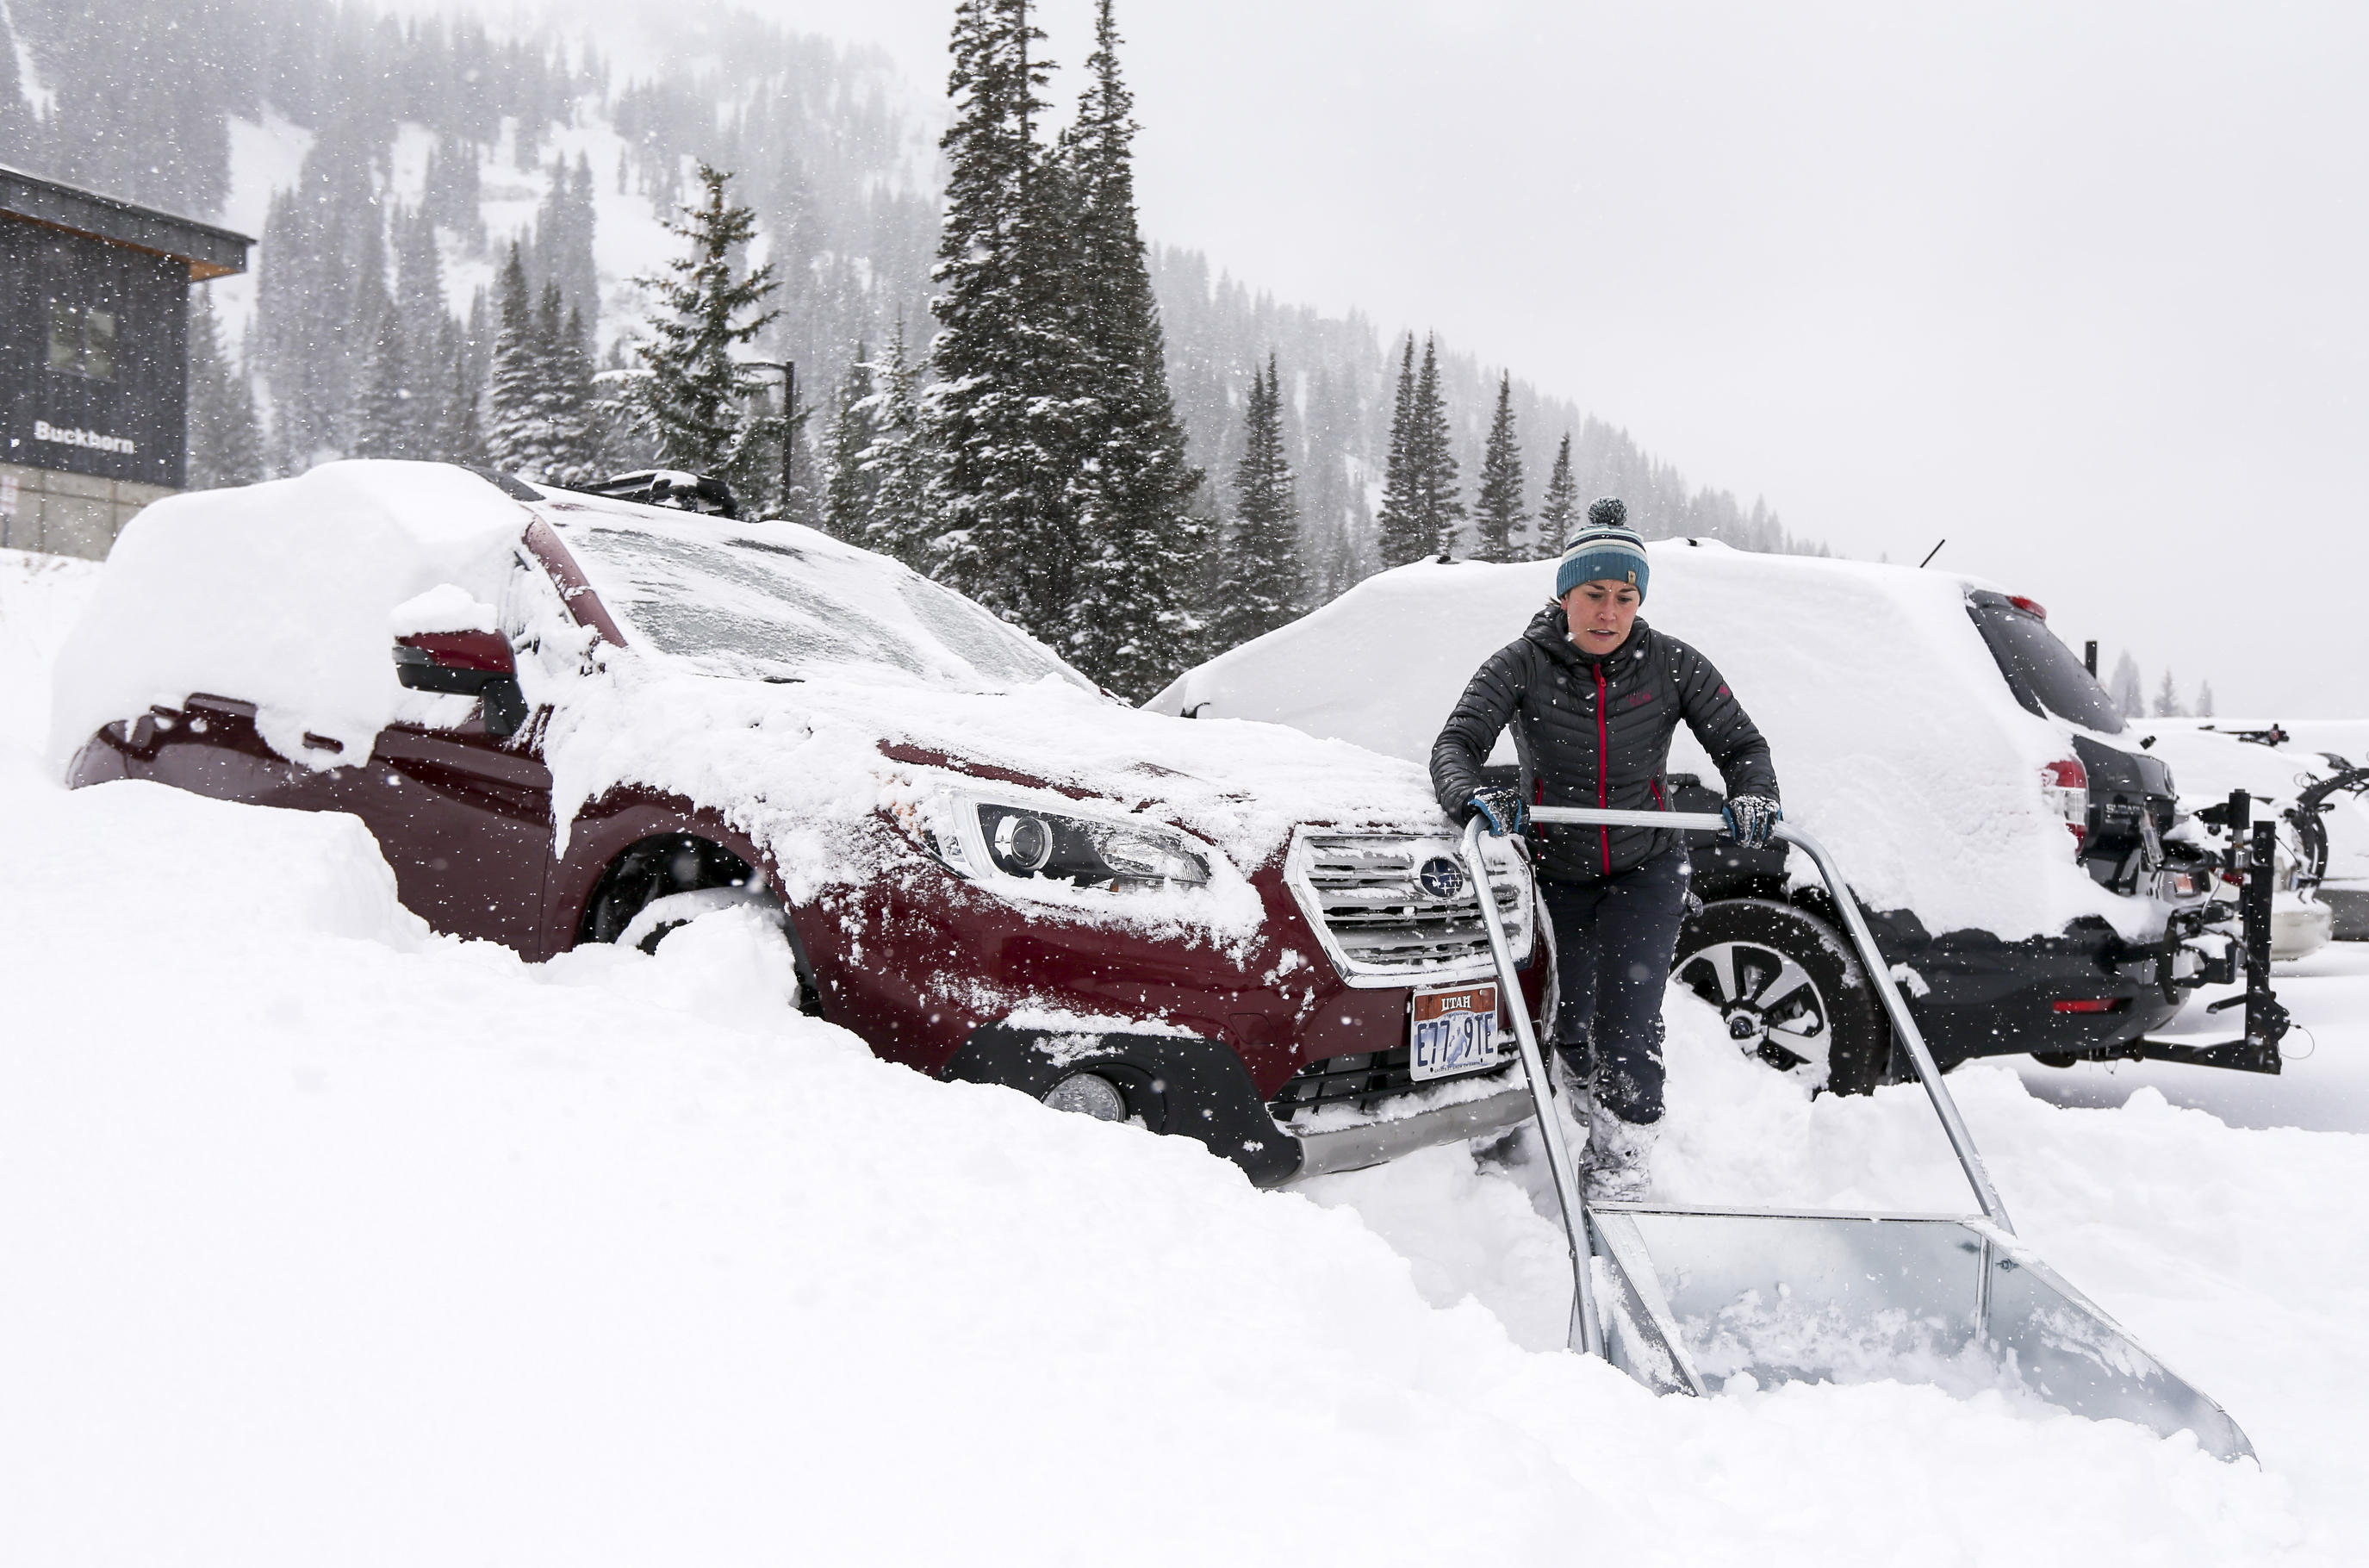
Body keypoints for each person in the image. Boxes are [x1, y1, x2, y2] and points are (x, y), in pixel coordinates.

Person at [1430, 499, 1781, 1199]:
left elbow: (1743, 745)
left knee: (1630, 1018)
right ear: (1565, 594)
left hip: (1647, 863)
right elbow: (1456, 744)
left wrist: (1753, 794)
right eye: (1594, 594)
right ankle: (1583, 1091)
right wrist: (1471, 796)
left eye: (1625, 596)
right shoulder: (1521, 663)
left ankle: (1621, 1163)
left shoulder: (1674, 664)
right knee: (1569, 1021)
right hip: (1556, 868)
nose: (1609, 611)